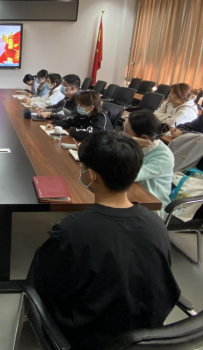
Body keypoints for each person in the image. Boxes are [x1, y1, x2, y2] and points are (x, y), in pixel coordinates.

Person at [28, 131, 180, 349]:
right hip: (146, 335)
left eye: (82, 167)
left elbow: (43, 286)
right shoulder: (156, 224)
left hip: (88, 337)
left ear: (91, 175)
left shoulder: (73, 230)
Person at [125, 111, 175, 217]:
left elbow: (130, 175)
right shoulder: (134, 146)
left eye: (126, 132)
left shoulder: (163, 156)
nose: (123, 135)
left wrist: (123, 142)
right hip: (130, 194)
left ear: (143, 138)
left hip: (151, 207)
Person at [45, 90, 112, 140]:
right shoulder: (83, 115)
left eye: (81, 105)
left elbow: (91, 135)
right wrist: (54, 124)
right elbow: (69, 121)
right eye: (78, 104)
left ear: (91, 107)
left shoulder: (101, 117)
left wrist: (72, 130)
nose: (78, 107)